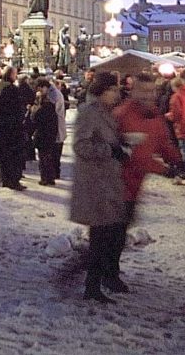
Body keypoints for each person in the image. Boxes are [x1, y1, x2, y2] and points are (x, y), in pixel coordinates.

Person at [110, 77, 182, 282]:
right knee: (114, 232)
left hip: (134, 185)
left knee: (121, 229)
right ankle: (106, 272)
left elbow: (162, 142)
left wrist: (177, 160)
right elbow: (136, 159)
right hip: (117, 184)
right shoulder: (123, 115)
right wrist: (164, 169)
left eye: (151, 91)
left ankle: (108, 269)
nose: (147, 96)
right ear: (133, 92)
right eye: (143, 91)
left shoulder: (154, 116)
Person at [69, 72, 127, 303]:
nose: (117, 94)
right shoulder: (89, 113)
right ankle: (92, 287)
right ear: (102, 91)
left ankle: (98, 281)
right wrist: (110, 151)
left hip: (107, 181)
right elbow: (81, 145)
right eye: (113, 90)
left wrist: (120, 146)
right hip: (94, 183)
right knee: (100, 237)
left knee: (105, 235)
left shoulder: (107, 113)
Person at [0, 66, 28, 190]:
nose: (16, 76)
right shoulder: (12, 89)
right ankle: (14, 181)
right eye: (15, 74)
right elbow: (18, 109)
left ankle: (5, 179)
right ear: (11, 74)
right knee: (14, 156)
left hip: (0, 126)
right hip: (12, 128)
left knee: (4, 155)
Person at [30, 82, 60, 185]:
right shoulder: (52, 105)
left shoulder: (43, 106)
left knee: (43, 157)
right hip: (50, 133)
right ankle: (51, 177)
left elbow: (35, 117)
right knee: (49, 156)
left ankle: (45, 178)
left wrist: (33, 108)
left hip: (42, 134)